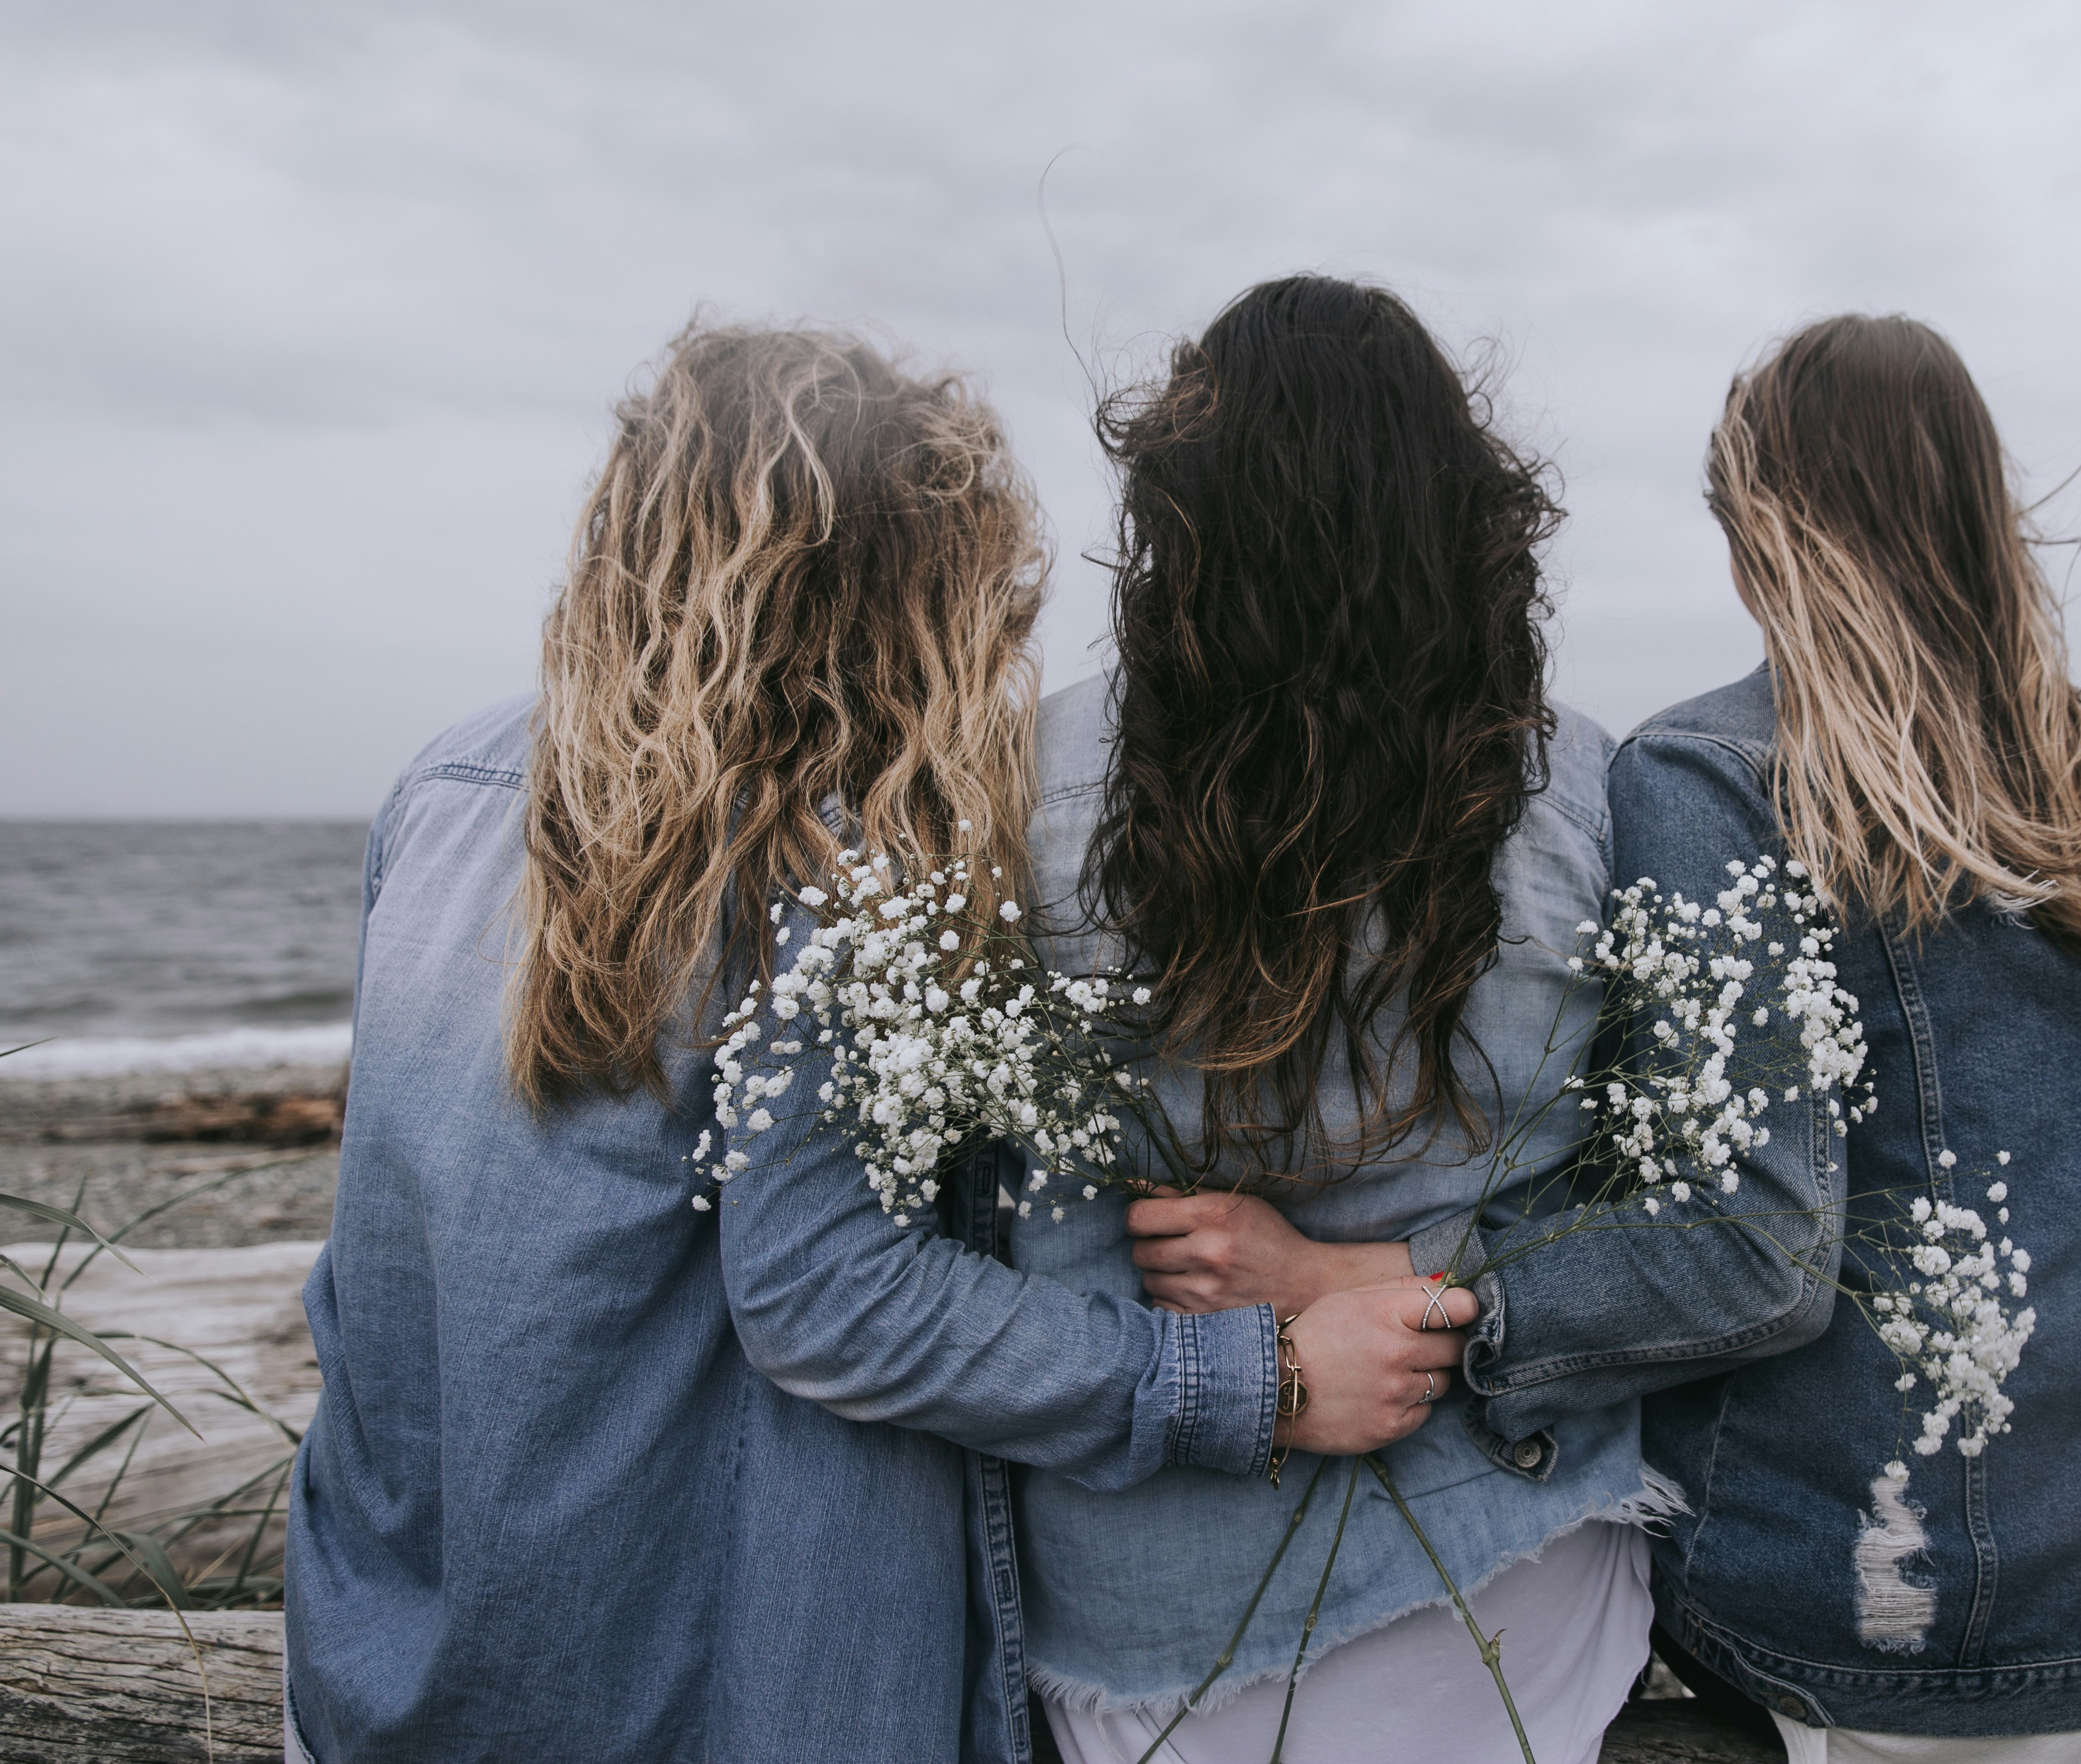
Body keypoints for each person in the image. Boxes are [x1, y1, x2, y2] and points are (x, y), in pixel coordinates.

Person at [282, 322, 1474, 1764]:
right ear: (898, 589)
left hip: (393, 1671)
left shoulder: (451, 791)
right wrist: (1263, 1380)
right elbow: (829, 1290)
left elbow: (372, 1262)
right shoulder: (831, 861)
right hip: (727, 1698)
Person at [1135, 314, 2081, 1761]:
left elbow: (1747, 1252)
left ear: (1752, 527)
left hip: (1915, 1578)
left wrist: (1363, 1272)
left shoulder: (1713, 778)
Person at [1010, 276, 1664, 1764]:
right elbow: (1666, 1202)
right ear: (1464, 509)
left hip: (1139, 1616)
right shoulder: (1587, 790)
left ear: (1180, 509)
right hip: (1503, 1553)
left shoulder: (1015, 782)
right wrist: (1414, 1269)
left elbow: (1001, 1223)